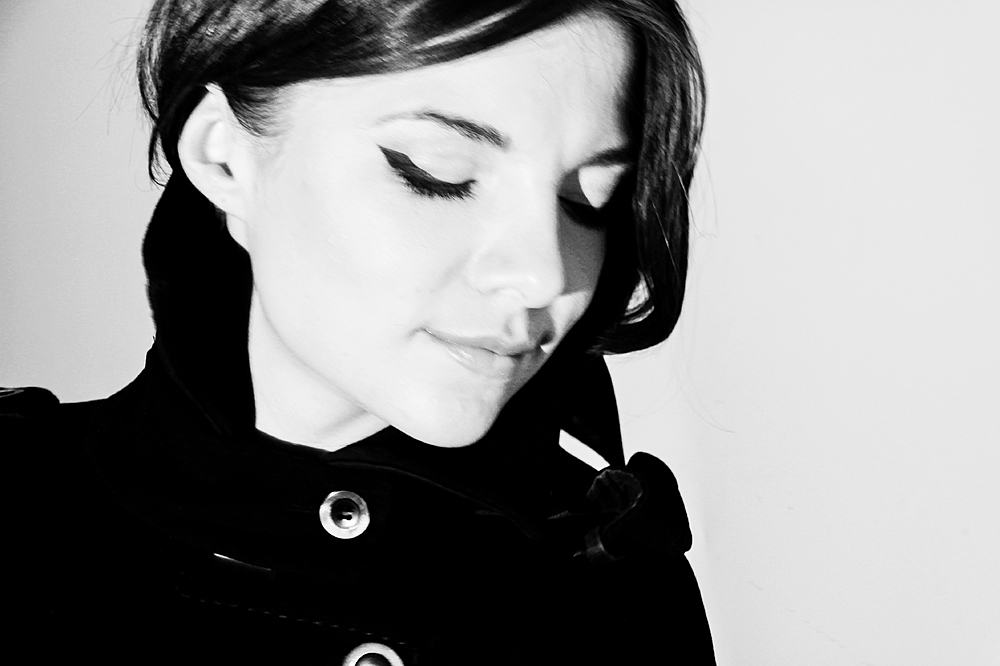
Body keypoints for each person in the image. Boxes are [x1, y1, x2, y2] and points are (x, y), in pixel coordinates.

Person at [3, 0, 712, 663]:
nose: (542, 274)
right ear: (224, 157)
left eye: (587, 201)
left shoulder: (620, 592)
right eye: (438, 173)